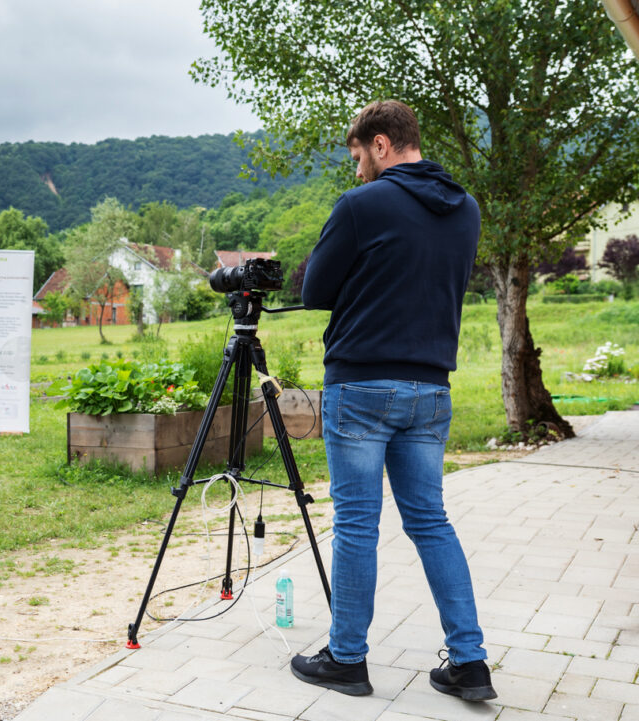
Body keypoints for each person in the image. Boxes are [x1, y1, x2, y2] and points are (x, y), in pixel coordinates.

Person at [292, 100, 495, 701]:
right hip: (431, 388)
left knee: (357, 524)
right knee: (431, 522)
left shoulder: (362, 204)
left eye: (359, 156)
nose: (357, 171)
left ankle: (346, 659)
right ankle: (470, 663)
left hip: (361, 386)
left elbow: (314, 290)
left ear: (381, 144)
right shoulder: (466, 208)